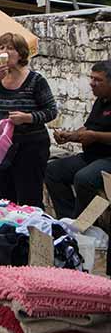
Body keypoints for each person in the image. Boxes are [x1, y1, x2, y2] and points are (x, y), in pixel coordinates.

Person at [0, 32, 57, 206]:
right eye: (2, 48)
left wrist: (28, 117)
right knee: (0, 200)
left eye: (11, 48)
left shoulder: (35, 80)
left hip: (29, 148)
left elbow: (51, 111)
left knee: (29, 200)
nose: (5, 51)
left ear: (21, 54)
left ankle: (31, 232)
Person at [46, 61, 111, 219]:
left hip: (108, 159)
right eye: (91, 78)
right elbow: (88, 128)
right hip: (91, 156)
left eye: (98, 80)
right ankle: (67, 219)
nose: (92, 83)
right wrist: (70, 136)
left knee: (83, 178)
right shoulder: (100, 101)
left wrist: (95, 136)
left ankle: (82, 222)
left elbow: (93, 133)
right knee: (52, 171)